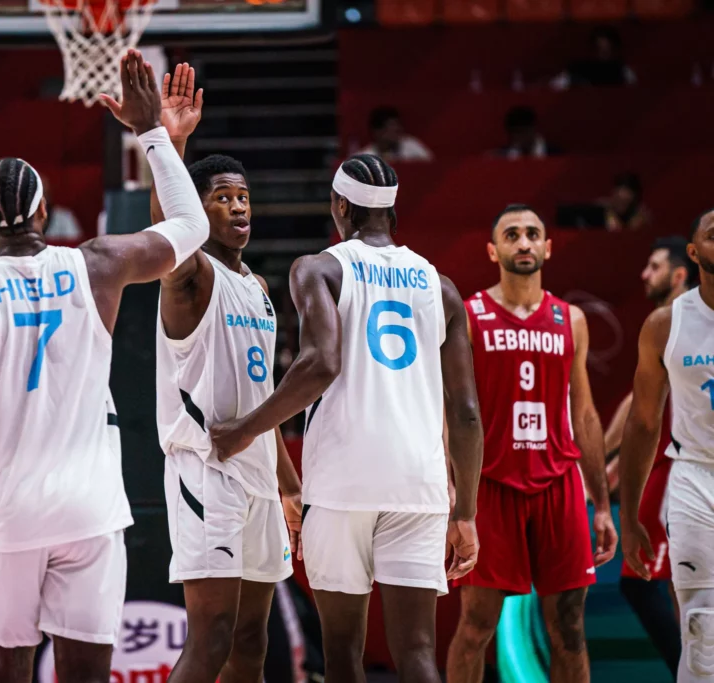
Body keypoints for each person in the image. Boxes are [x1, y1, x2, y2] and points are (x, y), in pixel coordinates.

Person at [0, 50, 210, 682]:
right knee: (87, 674)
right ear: (43, 212)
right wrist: (156, 135)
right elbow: (191, 225)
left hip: (6, 513)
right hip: (88, 509)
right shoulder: (95, 265)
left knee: (4, 668)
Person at [211, 153, 483, 683]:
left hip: (342, 482)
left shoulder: (318, 268)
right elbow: (467, 413)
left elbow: (319, 364)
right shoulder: (441, 287)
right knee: (419, 653)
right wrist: (465, 511)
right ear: (391, 212)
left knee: (342, 652)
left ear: (340, 206)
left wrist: (244, 431)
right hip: (418, 482)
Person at [149, 63, 302, 683]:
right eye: (223, 198)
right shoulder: (194, 277)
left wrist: (288, 482)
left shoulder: (257, 286)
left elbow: (264, 399)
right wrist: (173, 144)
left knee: (251, 643)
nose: (238, 207)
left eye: (243, 197)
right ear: (201, 209)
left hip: (260, 475)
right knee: (209, 640)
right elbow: (170, 233)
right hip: (206, 471)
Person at [446, 204, 619, 683]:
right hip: (492, 484)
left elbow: (583, 413)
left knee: (569, 627)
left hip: (558, 483)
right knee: (477, 623)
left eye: (532, 234)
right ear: (493, 249)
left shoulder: (571, 319)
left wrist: (601, 504)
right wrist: (452, 495)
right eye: (512, 234)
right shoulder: (470, 314)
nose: (522, 242)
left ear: (547, 246)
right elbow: (451, 412)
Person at [620, 209, 714, 683]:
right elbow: (640, 420)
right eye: (710, 228)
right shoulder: (665, 324)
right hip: (695, 475)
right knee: (700, 625)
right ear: (694, 254)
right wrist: (630, 513)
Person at [603, 236, 697, 676]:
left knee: (666, 587)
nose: (645, 274)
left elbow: (643, 412)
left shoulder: (686, 320)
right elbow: (639, 403)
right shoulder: (666, 323)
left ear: (680, 273)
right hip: (668, 459)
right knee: (679, 588)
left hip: (684, 464)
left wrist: (606, 452)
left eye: (654, 266)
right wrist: (611, 454)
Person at [551, 25, 638, 90]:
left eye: (607, 49)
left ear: (614, 48)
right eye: (599, 48)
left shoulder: (623, 70)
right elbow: (553, 87)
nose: (603, 53)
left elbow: (633, 91)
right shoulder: (577, 69)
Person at [358, 107, 433, 163]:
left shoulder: (412, 147)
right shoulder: (364, 158)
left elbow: (430, 164)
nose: (397, 132)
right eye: (392, 128)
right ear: (377, 132)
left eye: (398, 128)